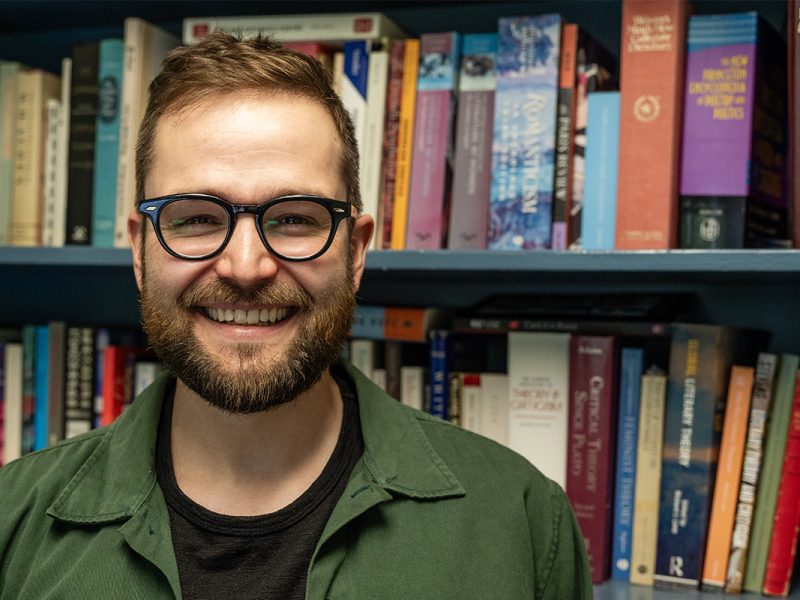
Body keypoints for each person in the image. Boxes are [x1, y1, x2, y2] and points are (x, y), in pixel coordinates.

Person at [0, 32, 591, 599]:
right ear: (140, 250)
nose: (246, 266)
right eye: (198, 218)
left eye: (295, 218)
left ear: (356, 252)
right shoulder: (12, 521)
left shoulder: (522, 521)